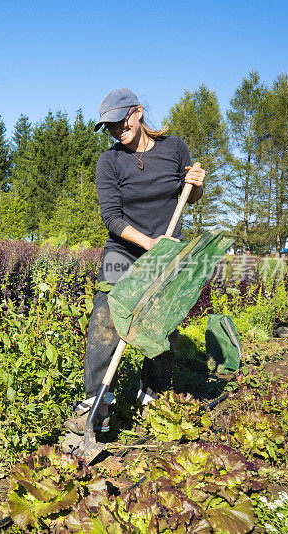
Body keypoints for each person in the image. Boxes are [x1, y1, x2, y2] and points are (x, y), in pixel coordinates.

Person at [65, 88, 205, 435]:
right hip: (123, 250)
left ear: (137, 112)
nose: (115, 130)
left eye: (119, 122)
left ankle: (151, 393)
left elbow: (189, 197)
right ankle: (95, 404)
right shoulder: (109, 161)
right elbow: (111, 217)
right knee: (105, 317)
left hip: (167, 250)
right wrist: (147, 243)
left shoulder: (174, 148)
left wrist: (196, 185)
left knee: (161, 324)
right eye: (108, 127)